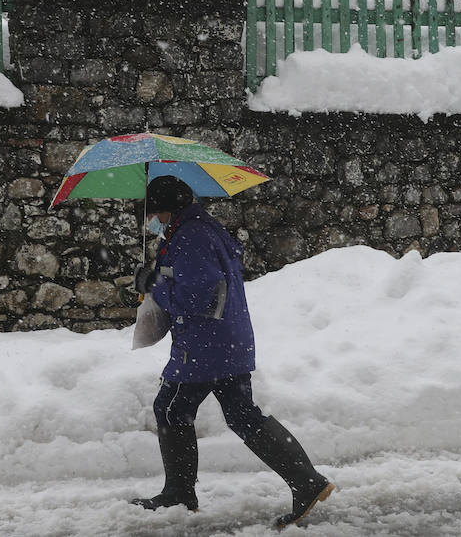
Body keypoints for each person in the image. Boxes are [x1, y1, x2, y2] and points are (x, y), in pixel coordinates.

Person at [131, 175, 334, 528]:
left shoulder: (190, 236)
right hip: (227, 340)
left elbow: (194, 297)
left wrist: (154, 286)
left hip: (204, 345)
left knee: (171, 408)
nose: (153, 221)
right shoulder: (201, 228)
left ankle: (179, 493)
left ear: (166, 209)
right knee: (242, 414)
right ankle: (307, 481)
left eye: (155, 213)